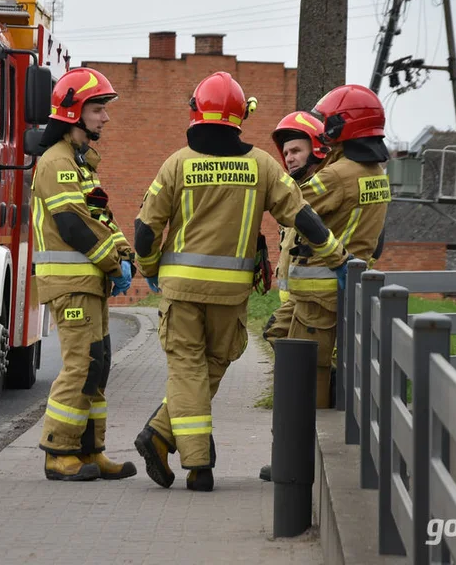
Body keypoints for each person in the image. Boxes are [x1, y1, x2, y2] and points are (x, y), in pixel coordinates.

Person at [131, 72, 350, 492]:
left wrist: (150, 267)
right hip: (230, 294)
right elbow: (302, 216)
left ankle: (192, 461)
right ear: (240, 116)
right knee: (211, 364)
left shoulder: (177, 163)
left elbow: (145, 229)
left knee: (186, 368)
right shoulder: (262, 166)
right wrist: (337, 256)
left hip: (179, 290)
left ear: (196, 111)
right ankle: (161, 437)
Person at [31, 67, 137, 482]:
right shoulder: (57, 163)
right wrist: (115, 262)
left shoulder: (81, 164)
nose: (104, 118)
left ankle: (91, 451)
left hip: (89, 284)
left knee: (99, 364)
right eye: (97, 108)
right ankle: (59, 452)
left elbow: (100, 218)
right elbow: (73, 226)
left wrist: (126, 252)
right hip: (71, 285)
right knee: (81, 365)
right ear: (74, 111)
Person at [284, 84, 391, 410]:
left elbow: (292, 208)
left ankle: (301, 452)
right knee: (339, 366)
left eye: (329, 121)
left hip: (319, 292)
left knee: (307, 372)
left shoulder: (338, 175)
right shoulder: (376, 173)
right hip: (351, 286)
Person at [262, 111, 332, 348]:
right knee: (277, 339)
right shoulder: (297, 192)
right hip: (294, 300)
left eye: (296, 151)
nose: (289, 158)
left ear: (316, 150)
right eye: (286, 153)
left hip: (314, 300)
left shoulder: (324, 191)